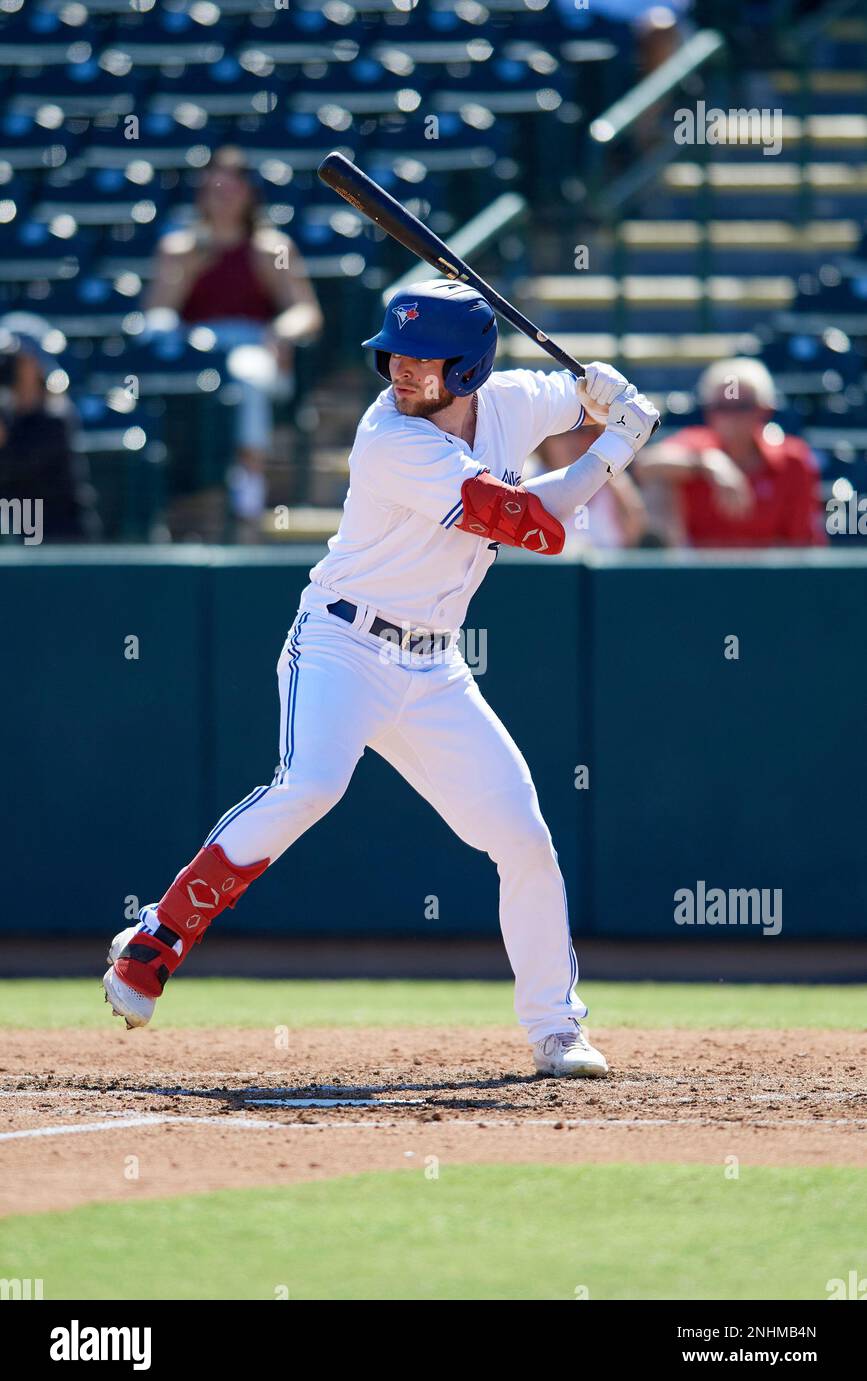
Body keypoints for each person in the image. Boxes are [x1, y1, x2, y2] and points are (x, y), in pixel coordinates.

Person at [102, 281, 658, 1079]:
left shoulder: (510, 401)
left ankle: (554, 1030)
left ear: (465, 368)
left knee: (524, 841)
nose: (398, 368)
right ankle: (157, 937)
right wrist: (615, 446)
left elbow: (572, 397)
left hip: (433, 666)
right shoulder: (389, 438)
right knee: (309, 787)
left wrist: (602, 391)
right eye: (392, 352)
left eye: (420, 356)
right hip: (341, 644)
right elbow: (529, 525)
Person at [145, 146, 323, 538]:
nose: (223, 196)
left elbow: (306, 312)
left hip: (252, 347)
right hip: (193, 352)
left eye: (232, 187)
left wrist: (279, 332)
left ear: (249, 194)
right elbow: (157, 316)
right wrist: (188, 268)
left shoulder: (272, 248)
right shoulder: (178, 249)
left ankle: (249, 484)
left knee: (246, 376)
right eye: (214, 188)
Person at [633, 358, 826, 546]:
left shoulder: (792, 460)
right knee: (658, 485)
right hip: (697, 573)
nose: (731, 417)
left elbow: (801, 544)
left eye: (743, 406)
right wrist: (707, 463)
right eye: (722, 407)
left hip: (768, 574)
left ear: (765, 409)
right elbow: (645, 465)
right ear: (708, 411)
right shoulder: (695, 445)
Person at [0, 320, 98, 542]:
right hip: (15, 537)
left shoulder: (56, 417)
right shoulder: (6, 413)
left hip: (58, 540)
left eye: (17, 359)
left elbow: (17, 467)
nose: (8, 366)